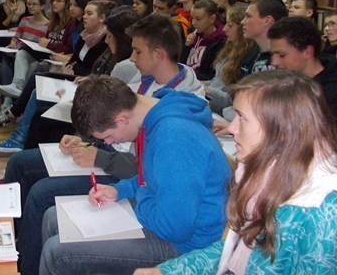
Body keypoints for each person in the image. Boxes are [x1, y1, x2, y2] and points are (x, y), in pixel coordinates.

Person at [136, 71, 337, 275]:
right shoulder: (265, 172)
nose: (232, 128)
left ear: (283, 131)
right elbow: (236, 252)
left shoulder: (323, 213)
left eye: (242, 118)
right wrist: (169, 271)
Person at [38, 76, 230, 275]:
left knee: (58, 254)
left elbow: (174, 228)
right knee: (53, 217)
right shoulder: (153, 114)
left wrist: (142, 194)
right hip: (164, 213)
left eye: (107, 136)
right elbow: (150, 178)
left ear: (121, 119)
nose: (110, 143)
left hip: (187, 243)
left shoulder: (173, 138)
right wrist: (118, 189)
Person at [0, 0, 109, 156]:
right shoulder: (86, 36)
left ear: (102, 18)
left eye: (89, 14)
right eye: (84, 13)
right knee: (38, 79)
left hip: (82, 82)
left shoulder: (104, 42)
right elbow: (75, 59)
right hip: (72, 76)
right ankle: (14, 118)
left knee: (38, 89)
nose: (84, 16)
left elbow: (94, 70)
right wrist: (68, 66)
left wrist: (72, 69)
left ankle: (16, 131)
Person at [0, 0, 73, 100]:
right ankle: (14, 89)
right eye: (54, 0)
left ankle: (14, 104)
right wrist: (13, 42)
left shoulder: (60, 24)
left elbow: (64, 47)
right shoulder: (53, 22)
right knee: (13, 56)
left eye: (58, 1)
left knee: (32, 65)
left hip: (52, 57)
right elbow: (18, 37)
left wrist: (47, 44)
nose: (54, 3)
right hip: (42, 53)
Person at [268, 16, 337, 119]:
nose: (274, 62)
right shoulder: (284, 80)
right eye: (273, 55)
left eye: (282, 55)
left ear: (307, 51)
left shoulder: (331, 95)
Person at [0, 0, 49, 109]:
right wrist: (13, 43)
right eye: (29, 4)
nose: (30, 7)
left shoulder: (48, 25)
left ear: (42, 6)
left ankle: (11, 101)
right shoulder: (24, 20)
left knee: (28, 64)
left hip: (33, 56)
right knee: (5, 61)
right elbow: (16, 37)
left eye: (34, 4)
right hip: (19, 52)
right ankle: (9, 98)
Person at [204, 6, 256, 115]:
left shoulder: (247, 57)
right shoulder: (228, 47)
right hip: (211, 101)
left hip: (223, 110)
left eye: (230, 25)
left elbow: (231, 100)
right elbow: (217, 80)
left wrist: (208, 89)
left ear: (242, 29)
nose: (224, 29)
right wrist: (200, 83)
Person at [239, 0, 288, 75]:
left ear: (267, 20)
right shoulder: (250, 55)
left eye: (248, 16)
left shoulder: (287, 59)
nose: (242, 21)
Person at [181, 0, 227, 80]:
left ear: (212, 19)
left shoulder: (220, 41)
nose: (193, 23)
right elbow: (181, 62)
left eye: (198, 19)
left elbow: (210, 74)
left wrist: (189, 75)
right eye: (192, 18)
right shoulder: (192, 33)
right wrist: (186, 46)